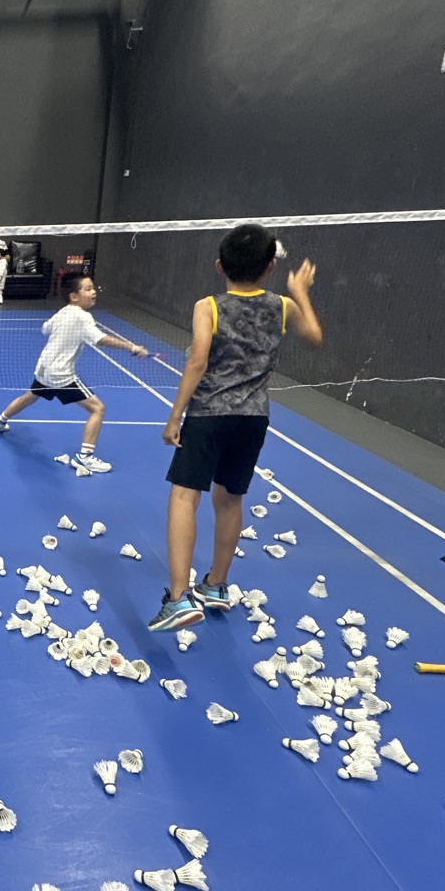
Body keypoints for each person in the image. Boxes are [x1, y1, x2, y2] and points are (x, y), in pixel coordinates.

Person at [148, 224, 323, 632]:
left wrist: (175, 416)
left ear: (219, 265)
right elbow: (314, 337)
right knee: (230, 501)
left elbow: (197, 361)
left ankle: (178, 598)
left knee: (183, 498)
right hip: (253, 419)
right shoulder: (283, 306)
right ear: (269, 267)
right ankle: (216, 585)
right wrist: (300, 292)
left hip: (209, 415)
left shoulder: (208, 306)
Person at [0, 274, 148, 473]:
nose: (93, 292)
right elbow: (101, 339)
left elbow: (45, 328)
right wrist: (131, 346)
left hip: (44, 368)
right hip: (60, 375)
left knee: (30, 396)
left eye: (93, 288)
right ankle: (84, 457)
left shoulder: (63, 312)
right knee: (97, 409)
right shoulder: (82, 316)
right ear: (74, 296)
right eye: (87, 289)